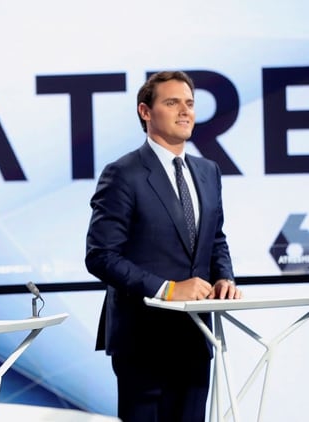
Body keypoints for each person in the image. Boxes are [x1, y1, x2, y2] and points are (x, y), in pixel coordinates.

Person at [84, 70, 242, 422]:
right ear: (145, 111)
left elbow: (215, 238)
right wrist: (167, 289)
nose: (185, 111)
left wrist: (224, 277)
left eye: (189, 103)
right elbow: (100, 256)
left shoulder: (208, 171)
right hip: (144, 341)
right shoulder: (122, 173)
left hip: (197, 337)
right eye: (172, 103)